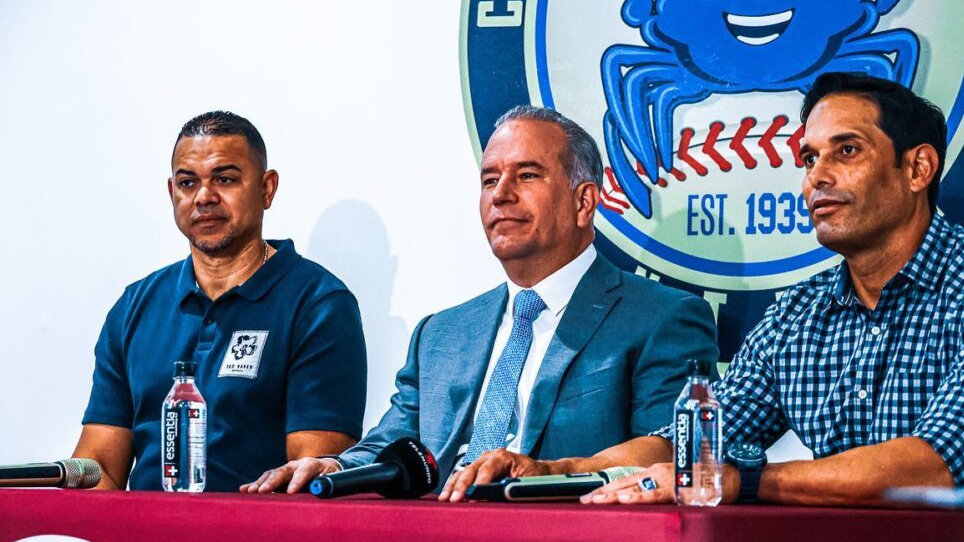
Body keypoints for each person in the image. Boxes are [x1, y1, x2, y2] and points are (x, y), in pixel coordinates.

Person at [446, 74, 964, 542]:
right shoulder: (799, 311)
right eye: (808, 158)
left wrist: (739, 480)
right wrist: (563, 469)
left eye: (845, 152)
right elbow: (689, 442)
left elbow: (929, 470)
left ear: (917, 167)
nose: (816, 178)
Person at [242, 105, 719, 495]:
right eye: (489, 181)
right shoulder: (441, 333)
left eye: (527, 176)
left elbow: (673, 449)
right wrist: (334, 468)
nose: (501, 196)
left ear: (584, 201)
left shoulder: (662, 318)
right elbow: (391, 444)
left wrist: (551, 470)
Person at [74, 111, 367, 491]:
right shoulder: (135, 305)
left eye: (224, 179)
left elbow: (308, 478)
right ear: (171, 192)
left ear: (267, 189)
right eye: (187, 182)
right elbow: (100, 468)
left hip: (257, 541)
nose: (204, 197)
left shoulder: (319, 304)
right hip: (142, 540)